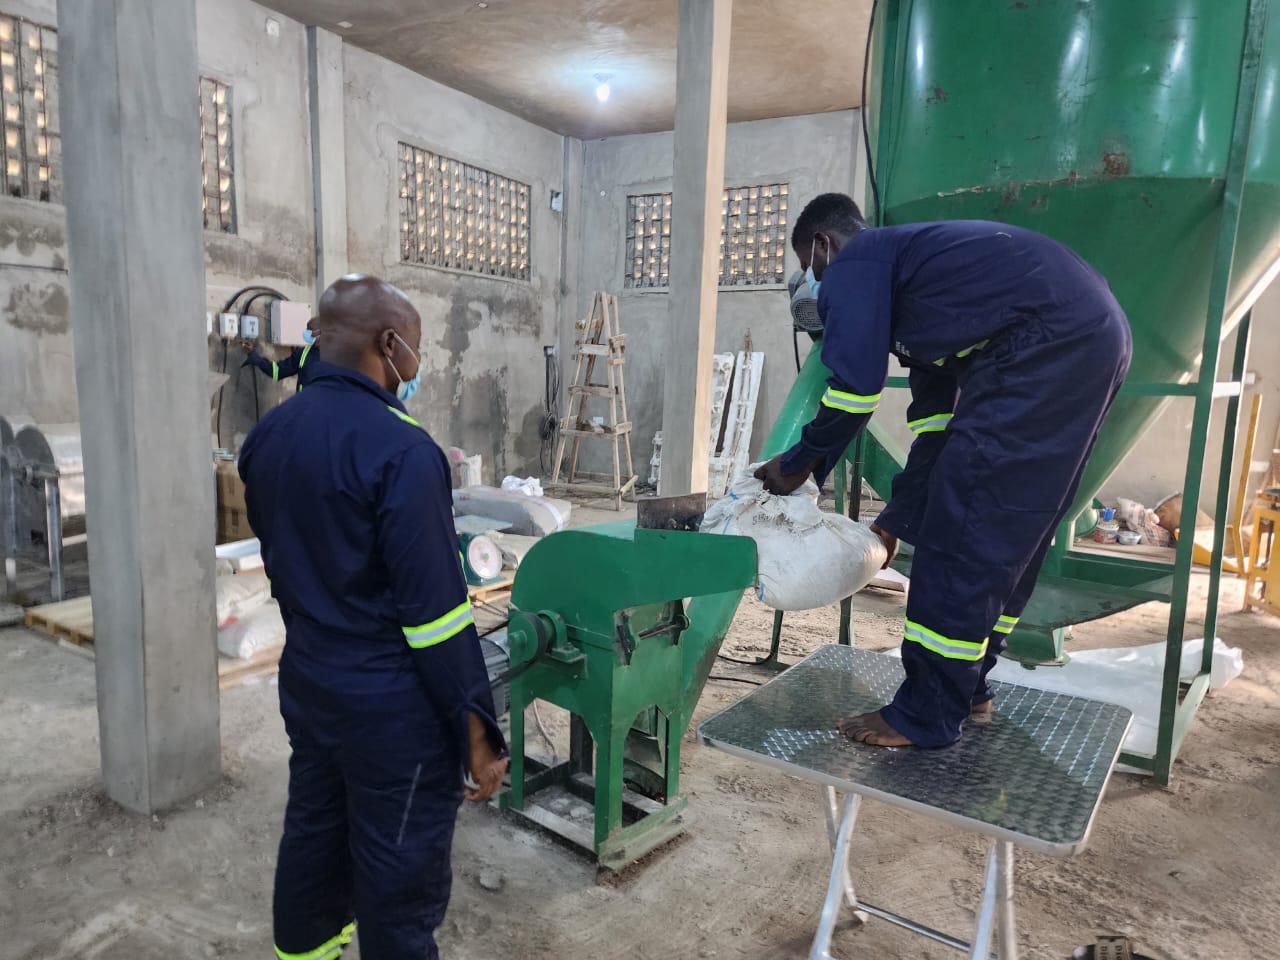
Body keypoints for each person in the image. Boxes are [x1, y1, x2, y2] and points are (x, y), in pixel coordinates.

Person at [755, 194, 1131, 749]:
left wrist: (793, 465)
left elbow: (855, 391)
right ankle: (970, 685)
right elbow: (935, 432)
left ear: (821, 247)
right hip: (1089, 336)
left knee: (962, 529)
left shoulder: (857, 261)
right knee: (1010, 528)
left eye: (810, 272)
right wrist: (898, 516)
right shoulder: (929, 301)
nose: (816, 287)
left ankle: (926, 713)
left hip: (1044, 341)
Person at [239, 275, 508, 959]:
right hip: (392, 713)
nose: (415, 369)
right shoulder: (404, 450)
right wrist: (477, 727)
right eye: (414, 351)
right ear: (389, 345)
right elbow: (436, 619)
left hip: (308, 683)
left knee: (315, 835)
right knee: (398, 879)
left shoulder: (269, 436)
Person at [242, 317, 321, 392]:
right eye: (307, 330)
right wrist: (254, 356)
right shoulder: (303, 353)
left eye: (310, 331)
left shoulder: (332, 355)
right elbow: (278, 371)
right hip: (306, 404)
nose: (307, 334)